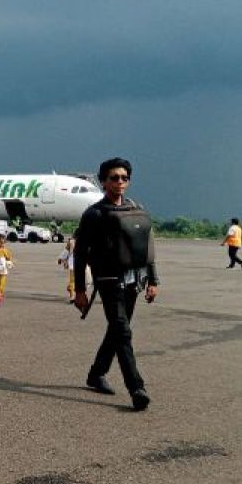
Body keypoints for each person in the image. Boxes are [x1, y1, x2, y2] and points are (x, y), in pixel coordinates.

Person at [74, 157, 159, 412]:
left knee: (117, 330)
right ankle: (137, 389)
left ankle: (96, 373)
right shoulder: (94, 214)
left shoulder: (136, 209)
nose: (120, 182)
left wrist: (153, 280)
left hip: (134, 279)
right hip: (108, 280)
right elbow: (80, 254)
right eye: (114, 178)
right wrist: (80, 290)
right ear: (103, 181)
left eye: (124, 178)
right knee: (122, 332)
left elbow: (146, 247)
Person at [58, 237, 77, 303]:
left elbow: (65, 252)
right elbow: (66, 251)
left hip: (77, 265)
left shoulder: (72, 242)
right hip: (76, 265)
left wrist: (60, 258)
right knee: (73, 281)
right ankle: (72, 295)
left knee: (74, 281)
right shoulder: (72, 242)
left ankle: (71, 292)